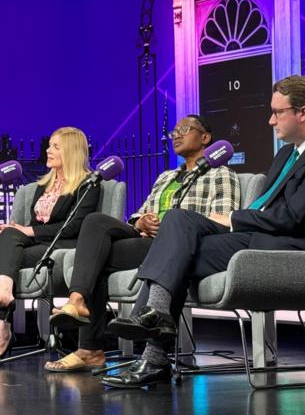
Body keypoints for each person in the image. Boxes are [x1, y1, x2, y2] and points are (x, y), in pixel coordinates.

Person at [103, 76, 305, 388]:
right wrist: (235, 221)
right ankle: (155, 317)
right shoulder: (287, 154)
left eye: (278, 112)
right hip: (264, 233)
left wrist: (234, 219)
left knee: (182, 253)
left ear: (302, 113)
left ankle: (152, 349)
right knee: (180, 220)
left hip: (295, 244)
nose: (270, 119)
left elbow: (294, 219)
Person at [43, 115, 240, 373]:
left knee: (98, 260)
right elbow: (139, 213)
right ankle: (77, 300)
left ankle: (89, 349)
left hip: (176, 247)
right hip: (145, 241)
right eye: (174, 132)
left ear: (205, 137)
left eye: (185, 129)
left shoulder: (222, 174)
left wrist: (172, 223)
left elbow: (223, 221)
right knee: (95, 222)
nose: (177, 135)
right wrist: (141, 223)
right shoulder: (167, 176)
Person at [0, 127, 100, 364]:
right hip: (41, 243)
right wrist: (18, 229)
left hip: (65, 246)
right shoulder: (44, 185)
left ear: (71, 152)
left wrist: (27, 230)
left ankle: (2, 325)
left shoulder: (88, 185)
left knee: (8, 251)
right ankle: (3, 297)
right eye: (49, 145)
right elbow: (34, 225)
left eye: (55, 147)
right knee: (9, 237)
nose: (47, 150)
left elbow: (73, 227)